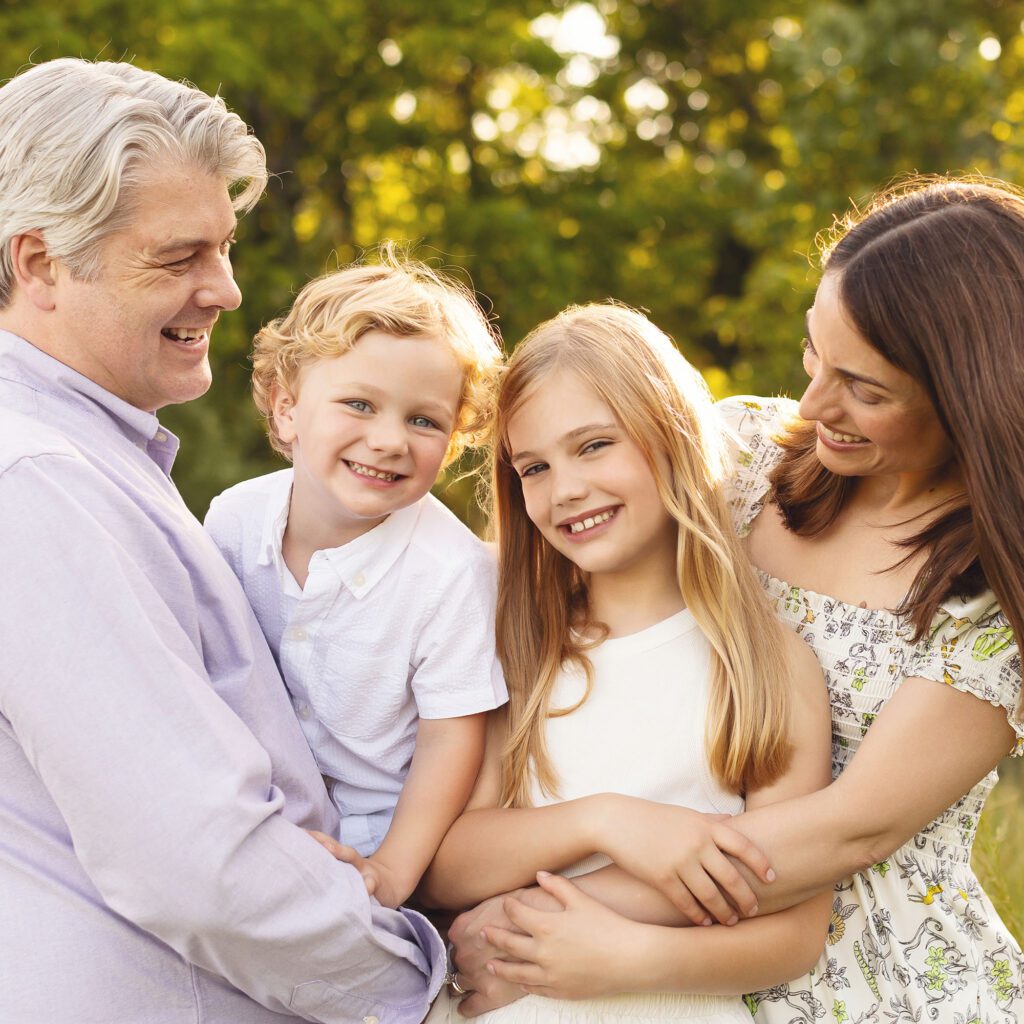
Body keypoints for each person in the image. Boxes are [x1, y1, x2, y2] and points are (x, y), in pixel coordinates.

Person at [446, 179, 1024, 1024]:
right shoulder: (746, 451)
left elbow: (849, 831)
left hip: (866, 976)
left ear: (966, 390)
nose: (814, 405)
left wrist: (540, 924)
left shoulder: (994, 602)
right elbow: (559, 541)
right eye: (814, 353)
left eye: (864, 388)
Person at [0, 58, 444, 1023]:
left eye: (226, 248)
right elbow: (200, 865)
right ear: (38, 265)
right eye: (178, 258)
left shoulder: (86, 463)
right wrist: (423, 986)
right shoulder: (35, 481)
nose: (229, 291)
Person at [420, 302, 834, 1023]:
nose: (566, 489)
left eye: (593, 446)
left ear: (670, 434)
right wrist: (606, 822)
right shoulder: (520, 648)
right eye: (535, 467)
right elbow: (446, 865)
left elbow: (794, 934)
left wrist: (626, 958)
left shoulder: (766, 664)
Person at [205, 254, 507, 910]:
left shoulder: (451, 573)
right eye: (359, 405)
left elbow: (452, 738)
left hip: (388, 832)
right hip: (259, 805)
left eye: (424, 420)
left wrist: (393, 871)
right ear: (287, 410)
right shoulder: (234, 521)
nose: (390, 440)